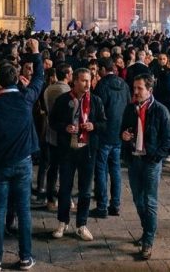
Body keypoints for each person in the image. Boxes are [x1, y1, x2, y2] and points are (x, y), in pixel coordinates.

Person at [0, 38, 44, 272]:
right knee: (24, 210)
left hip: (0, 164)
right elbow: (39, 79)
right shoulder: (26, 99)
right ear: (17, 79)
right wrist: (36, 53)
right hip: (23, 162)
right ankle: (25, 258)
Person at [120, 73, 170, 260]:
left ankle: (148, 241)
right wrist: (124, 136)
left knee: (150, 201)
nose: (135, 91)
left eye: (139, 88)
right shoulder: (130, 109)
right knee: (138, 200)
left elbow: (169, 140)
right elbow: (123, 129)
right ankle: (147, 230)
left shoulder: (160, 110)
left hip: (150, 162)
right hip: (134, 160)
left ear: (149, 90)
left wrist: (156, 157)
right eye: (134, 88)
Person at [49, 67, 106, 241]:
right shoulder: (63, 100)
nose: (88, 84)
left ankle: (81, 224)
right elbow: (52, 121)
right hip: (67, 150)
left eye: (89, 80)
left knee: (85, 190)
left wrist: (93, 126)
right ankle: (63, 221)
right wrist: (64, 127)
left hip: (87, 150)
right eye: (83, 80)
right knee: (65, 188)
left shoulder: (95, 101)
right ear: (74, 81)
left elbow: (104, 123)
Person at [92, 56, 128, 217]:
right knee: (115, 169)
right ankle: (115, 205)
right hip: (119, 133)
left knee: (101, 169)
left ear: (102, 69)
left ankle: (102, 206)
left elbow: (96, 110)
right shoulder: (123, 84)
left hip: (104, 133)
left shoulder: (102, 85)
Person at [40, 62, 72, 211]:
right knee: (65, 168)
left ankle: (50, 198)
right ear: (66, 75)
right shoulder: (67, 91)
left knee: (52, 167)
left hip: (50, 133)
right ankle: (64, 198)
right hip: (64, 134)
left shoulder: (48, 89)